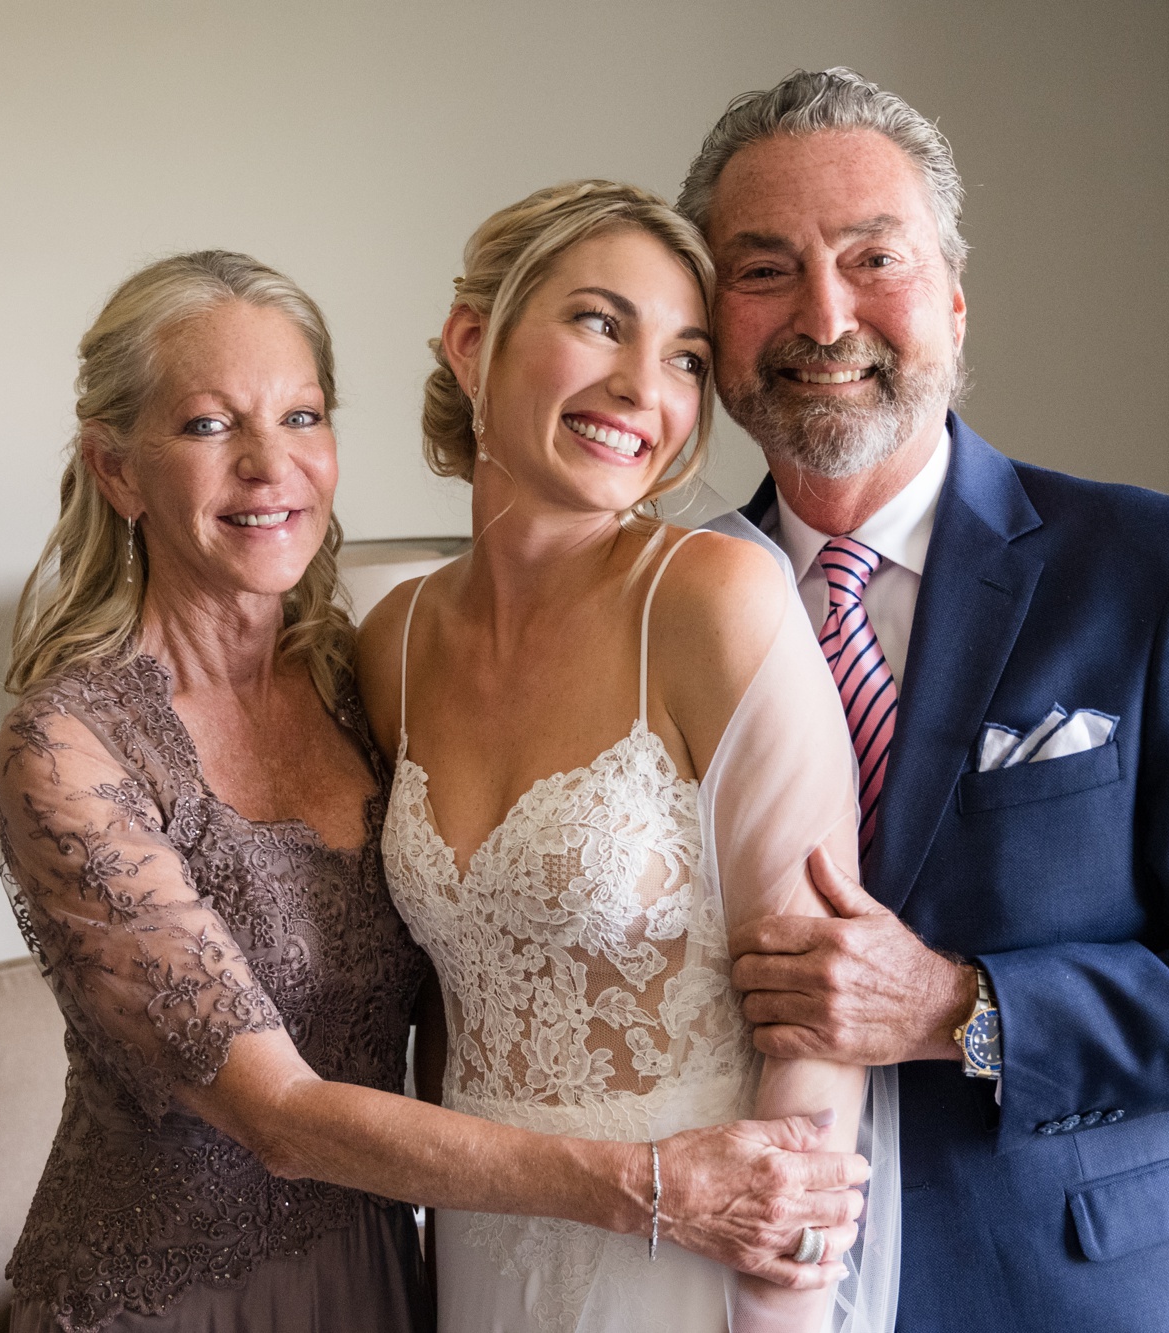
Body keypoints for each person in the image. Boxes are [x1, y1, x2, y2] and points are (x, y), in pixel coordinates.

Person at [0, 250, 868, 1333]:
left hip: (386, 1279)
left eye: (303, 416)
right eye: (209, 427)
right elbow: (279, 1114)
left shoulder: (356, 679)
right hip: (171, 1293)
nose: (272, 467)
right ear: (117, 470)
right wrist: (651, 1187)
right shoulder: (67, 745)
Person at [686, 70, 1169, 1331]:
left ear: (951, 298)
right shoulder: (664, 611)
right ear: (710, 321)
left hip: (1093, 1290)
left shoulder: (1156, 569)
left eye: (870, 257)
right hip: (744, 1293)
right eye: (763, 268)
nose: (824, 314)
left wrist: (962, 1008)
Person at [359, 180, 897, 1333]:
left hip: (696, 1263)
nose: (642, 389)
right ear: (471, 340)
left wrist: (777, 1307)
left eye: (688, 357)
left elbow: (813, 1016)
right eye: (600, 322)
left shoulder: (714, 598)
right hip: (484, 1250)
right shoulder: (389, 641)